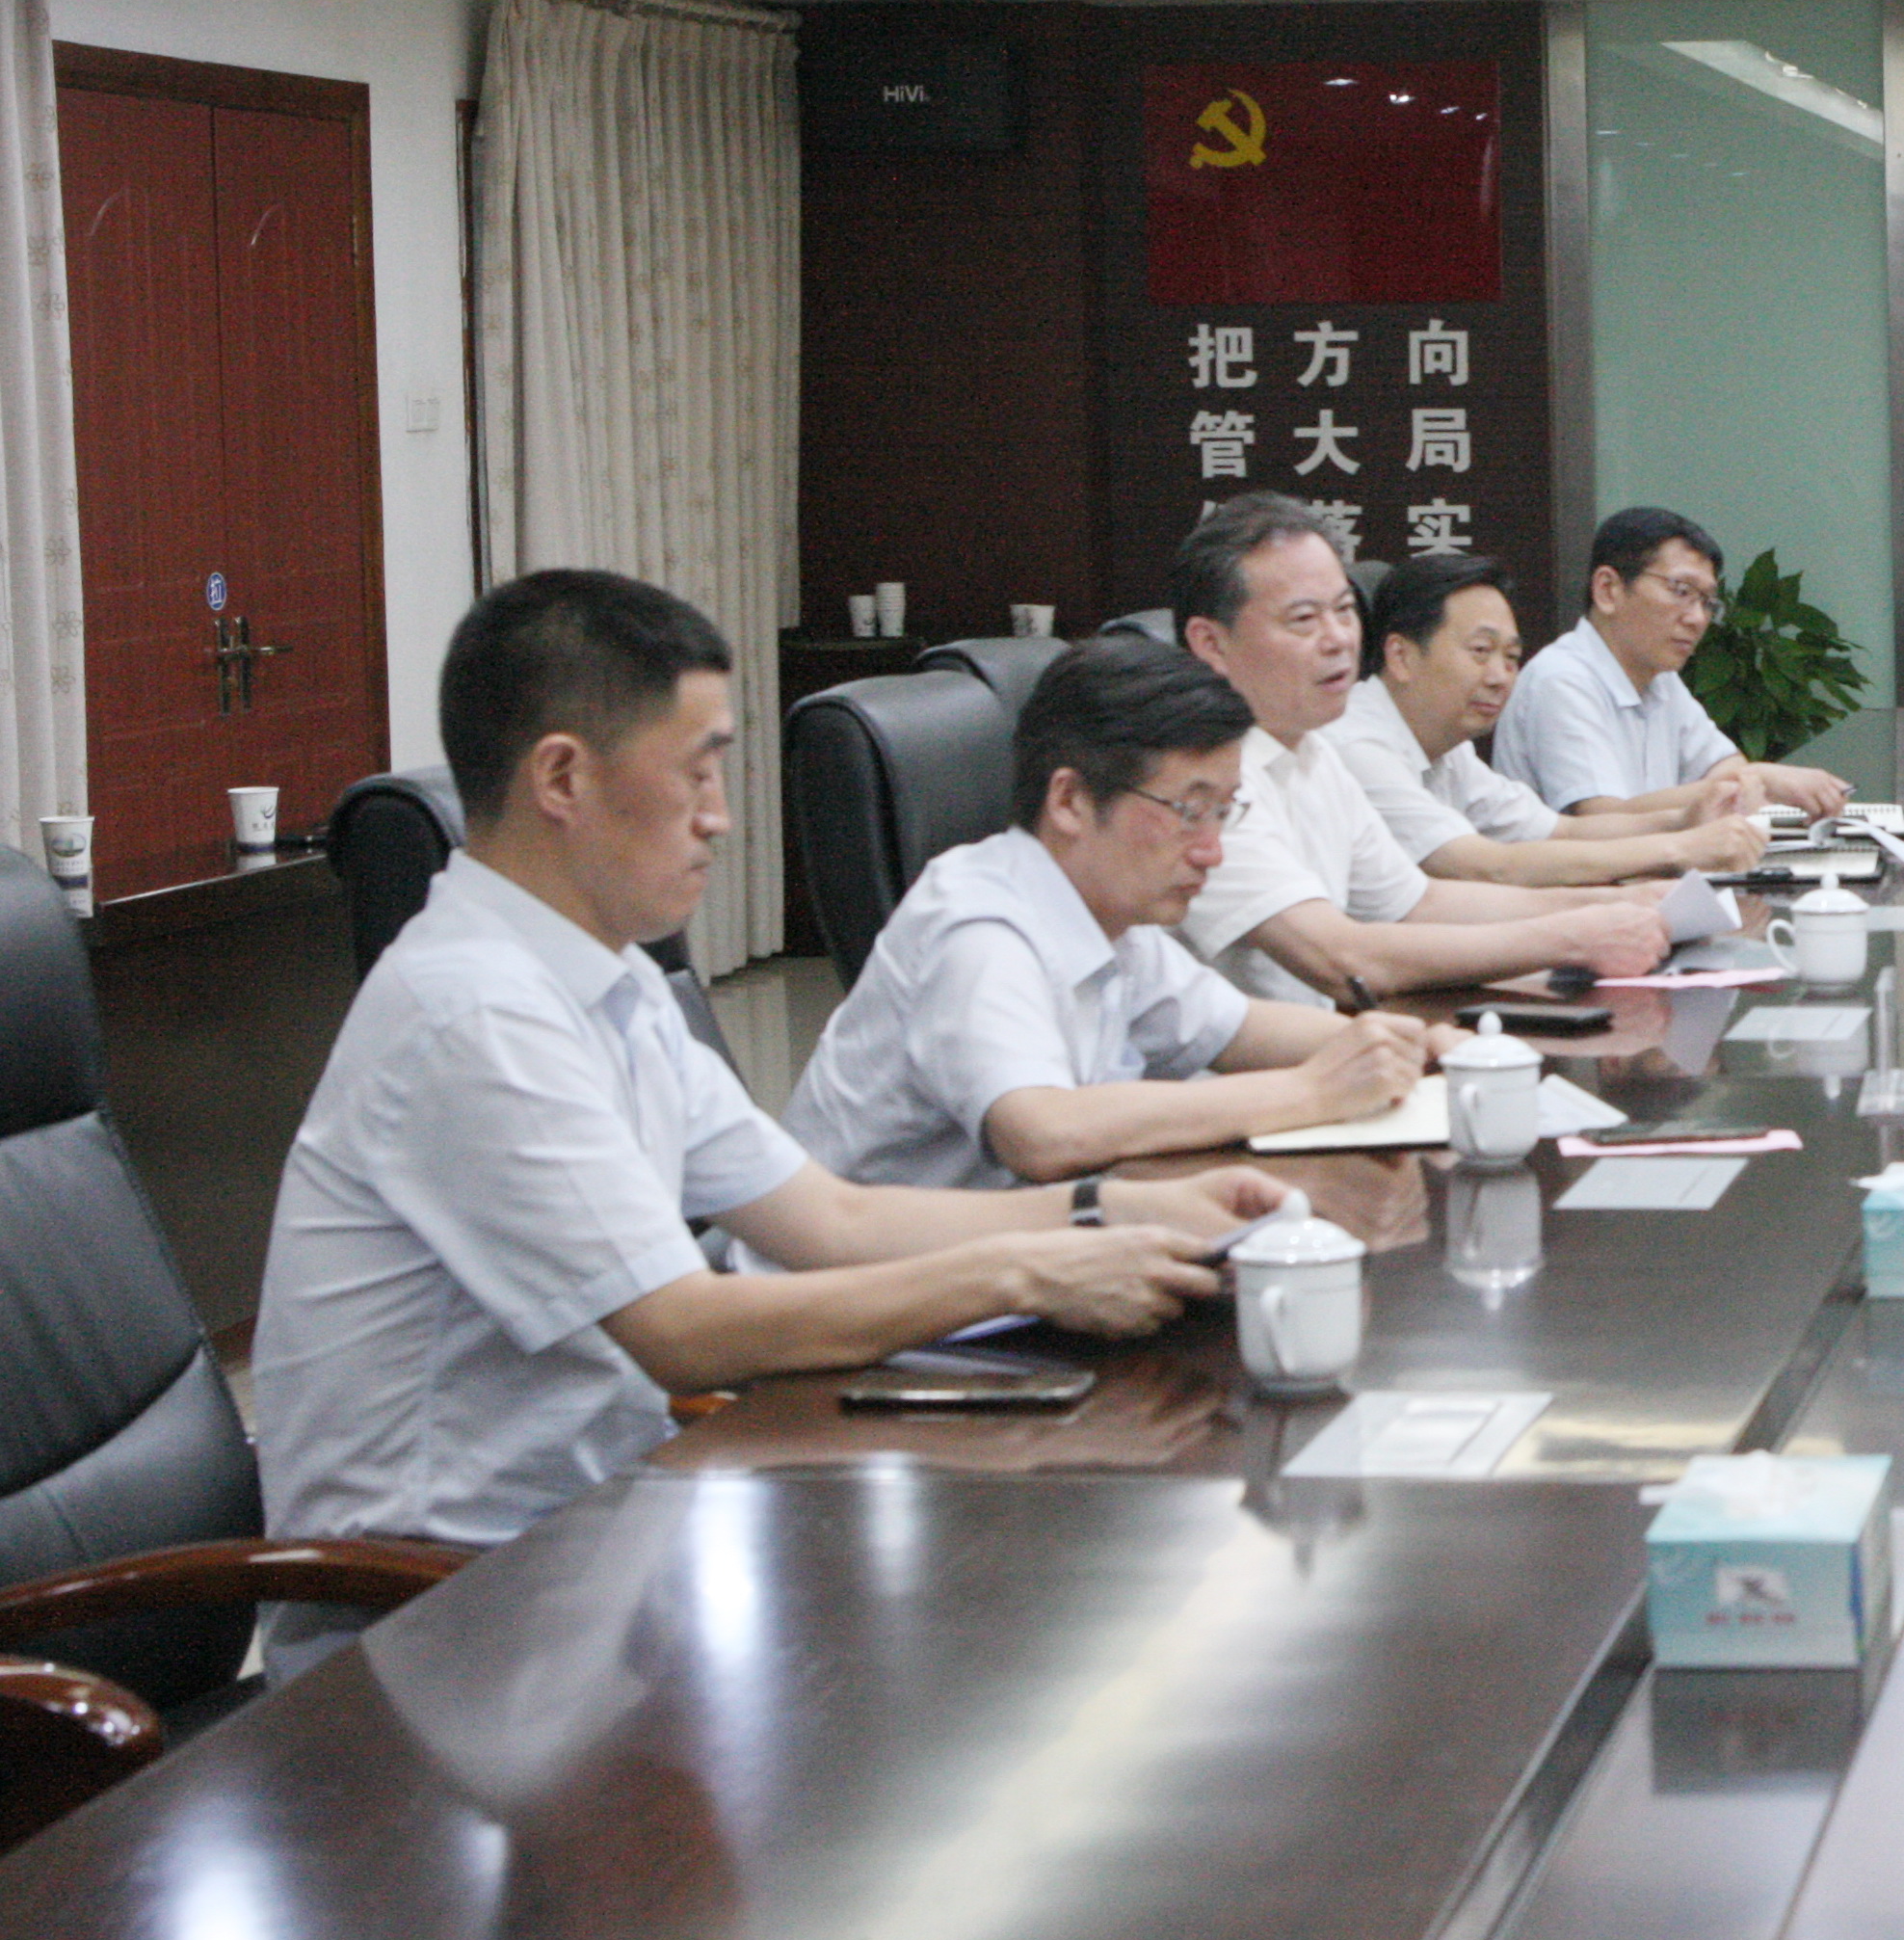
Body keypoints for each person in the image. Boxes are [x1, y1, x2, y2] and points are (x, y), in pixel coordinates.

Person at [251, 572, 1284, 1619]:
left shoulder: (608, 981)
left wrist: (1116, 1210)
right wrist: (1026, 1270)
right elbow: (684, 1331)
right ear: (562, 776)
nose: (721, 817)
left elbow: (833, 1217)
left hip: (607, 1541)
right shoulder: (474, 1011)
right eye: (697, 771)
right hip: (443, 1608)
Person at [782, 640, 1434, 1189]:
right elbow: (1044, 1133)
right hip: (872, 1284)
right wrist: (1312, 1091)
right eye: (1189, 810)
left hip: (1018, 1253)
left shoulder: (1109, 913)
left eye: (1223, 811)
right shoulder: (978, 928)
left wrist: (1419, 1049)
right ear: (1069, 801)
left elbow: (1239, 1029)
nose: (1212, 850)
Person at [1171, 492, 1676, 1005]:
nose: (1339, 638)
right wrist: (1572, 938)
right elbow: (1343, 959)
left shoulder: (1312, 752)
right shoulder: (1199, 782)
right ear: (1211, 644)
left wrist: (1624, 903)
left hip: (1330, 1041)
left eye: (1344, 611)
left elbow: (1420, 902)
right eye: (1304, 619)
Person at [1327, 551, 1769, 889]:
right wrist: (1680, 848)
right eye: (1480, 651)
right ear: (1401, 656)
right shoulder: (1359, 746)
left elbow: (1563, 831)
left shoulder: (1448, 749)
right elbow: (1487, 866)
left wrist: (1686, 818)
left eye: (1511, 657)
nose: (1500, 677)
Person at [1491, 505, 1851, 824]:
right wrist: (1759, 779)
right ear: (1608, 590)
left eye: (1707, 601)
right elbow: (1602, 819)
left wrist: (1750, 781)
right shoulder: (1561, 679)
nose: (1697, 619)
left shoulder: (1659, 677)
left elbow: (1723, 768)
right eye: (1680, 591)